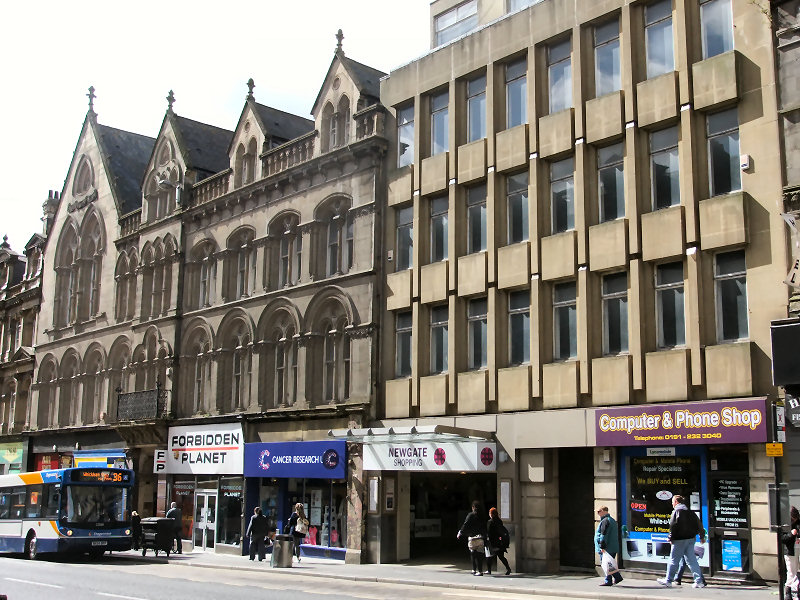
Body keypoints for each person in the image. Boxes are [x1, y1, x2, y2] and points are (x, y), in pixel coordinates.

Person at [657, 495, 706, 588]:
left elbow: (673, 526)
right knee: (692, 561)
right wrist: (702, 536)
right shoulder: (691, 512)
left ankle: (668, 580)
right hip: (691, 539)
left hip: (679, 540)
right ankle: (699, 581)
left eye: (672, 502)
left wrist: (670, 538)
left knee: (673, 560)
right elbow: (699, 524)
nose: (672, 504)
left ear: (676, 502)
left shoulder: (676, 512)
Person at [594, 506, 623, 586]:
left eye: (599, 511)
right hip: (612, 547)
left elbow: (604, 534)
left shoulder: (605, 521)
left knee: (606, 564)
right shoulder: (612, 520)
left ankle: (611, 579)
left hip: (607, 548)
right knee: (609, 564)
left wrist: (602, 546)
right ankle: (614, 578)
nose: (598, 513)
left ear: (603, 511)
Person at [457, 500, 487, 576]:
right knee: (480, 555)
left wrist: (460, 532)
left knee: (473, 554)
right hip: (480, 537)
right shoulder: (482, 516)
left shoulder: (471, 515)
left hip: (472, 537)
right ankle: (480, 571)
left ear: (473, 507)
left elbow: (465, 524)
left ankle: (474, 569)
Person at [486, 507, 511, 576]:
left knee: (489, 556)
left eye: (490, 513)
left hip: (492, 542)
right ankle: (508, 568)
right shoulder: (499, 521)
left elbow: (489, 532)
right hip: (500, 542)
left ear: (492, 514)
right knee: (501, 556)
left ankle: (489, 570)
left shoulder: (490, 522)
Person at [783, 506, 800, 600]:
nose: (794, 521)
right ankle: (788, 592)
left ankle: (796, 590)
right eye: (793, 519)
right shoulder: (785, 524)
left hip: (798, 549)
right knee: (791, 572)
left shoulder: (798, 523)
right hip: (791, 551)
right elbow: (783, 539)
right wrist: (791, 534)